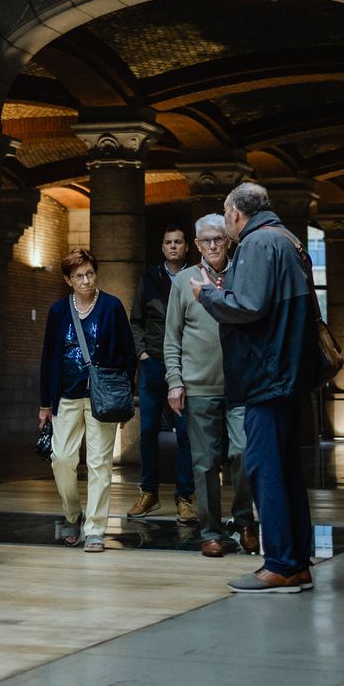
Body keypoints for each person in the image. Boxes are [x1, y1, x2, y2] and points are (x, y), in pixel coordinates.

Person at [204, 182, 320, 593]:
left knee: (263, 468)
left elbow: (247, 307)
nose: (226, 221)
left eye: (225, 213)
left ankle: (280, 565)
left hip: (267, 377)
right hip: (288, 375)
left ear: (237, 214)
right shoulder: (287, 239)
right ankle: (298, 562)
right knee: (285, 470)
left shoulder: (256, 244)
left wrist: (207, 295)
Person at [165, 214, 257, 557]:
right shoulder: (184, 281)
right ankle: (210, 531)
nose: (213, 245)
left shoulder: (242, 275)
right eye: (206, 241)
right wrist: (174, 381)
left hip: (240, 386)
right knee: (203, 464)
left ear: (228, 241)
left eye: (219, 238)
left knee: (244, 452)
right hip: (199, 385)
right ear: (198, 244)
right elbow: (171, 337)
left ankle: (245, 521)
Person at [39, 247, 137, 553]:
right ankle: (72, 514)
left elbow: (127, 353)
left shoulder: (111, 307)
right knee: (62, 459)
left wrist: (124, 399)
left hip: (101, 398)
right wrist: (44, 403)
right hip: (65, 396)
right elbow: (48, 358)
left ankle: (95, 529)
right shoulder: (58, 311)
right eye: (79, 276)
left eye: (90, 274)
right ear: (68, 280)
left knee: (99, 465)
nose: (86, 280)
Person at [129, 223, 197, 523]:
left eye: (178, 242)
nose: (173, 246)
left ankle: (184, 496)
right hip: (153, 365)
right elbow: (136, 321)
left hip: (184, 366)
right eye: (168, 242)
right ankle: (149, 493)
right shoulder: (149, 278)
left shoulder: (196, 276)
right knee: (147, 433)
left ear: (186, 247)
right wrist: (142, 353)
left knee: (185, 434)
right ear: (163, 247)